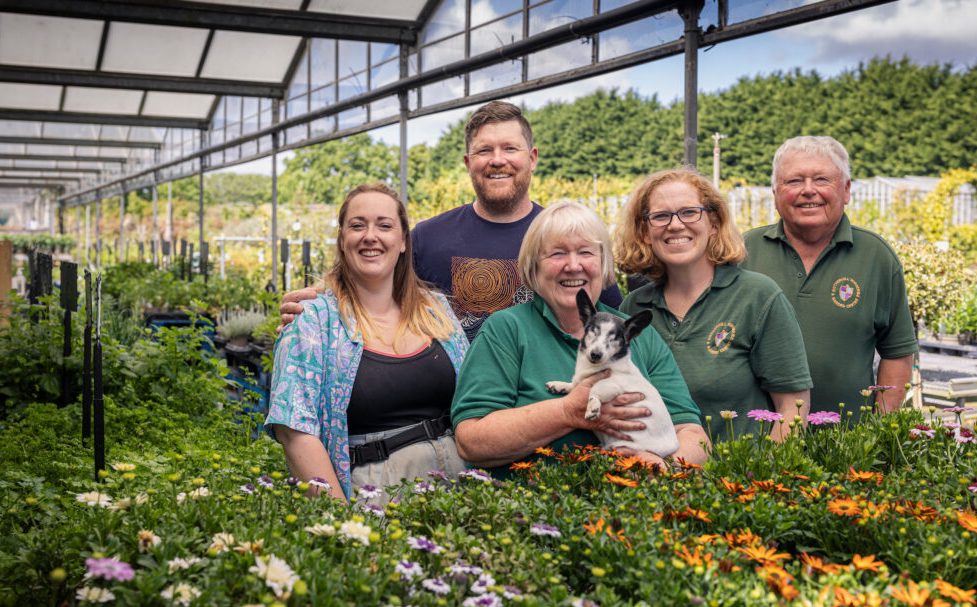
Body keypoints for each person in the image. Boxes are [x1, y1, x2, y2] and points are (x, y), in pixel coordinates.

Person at [279, 101, 621, 339]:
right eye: (484, 151)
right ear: (467, 162)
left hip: (545, 408)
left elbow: (614, 317)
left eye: (510, 149)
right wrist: (319, 300)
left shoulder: (570, 240)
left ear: (532, 159)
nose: (496, 160)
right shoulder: (428, 238)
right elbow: (373, 280)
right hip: (447, 413)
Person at [452, 201, 709, 475]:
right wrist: (567, 412)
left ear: (603, 263)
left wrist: (664, 470)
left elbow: (691, 431)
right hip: (529, 508)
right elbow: (471, 440)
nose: (573, 266)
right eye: (557, 254)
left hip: (633, 507)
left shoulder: (638, 336)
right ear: (533, 266)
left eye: (585, 252)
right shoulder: (507, 330)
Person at [265, 183, 470, 502]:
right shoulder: (314, 322)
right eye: (357, 225)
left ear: (403, 241)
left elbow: (473, 396)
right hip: (377, 492)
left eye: (384, 225)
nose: (370, 235)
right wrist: (339, 521)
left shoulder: (436, 310)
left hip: (457, 481)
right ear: (343, 241)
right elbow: (294, 431)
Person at [614, 168, 812, 441]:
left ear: (714, 224)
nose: (675, 225)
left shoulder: (758, 296)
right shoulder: (633, 308)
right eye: (660, 216)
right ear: (645, 232)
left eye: (689, 212)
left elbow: (793, 407)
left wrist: (766, 477)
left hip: (740, 479)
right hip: (656, 479)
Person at [741, 136, 917, 415]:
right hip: (754, 443)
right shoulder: (742, 252)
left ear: (846, 190)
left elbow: (897, 353)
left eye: (822, 180)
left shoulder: (876, 256)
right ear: (775, 193)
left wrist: (881, 433)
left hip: (848, 447)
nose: (808, 191)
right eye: (794, 181)